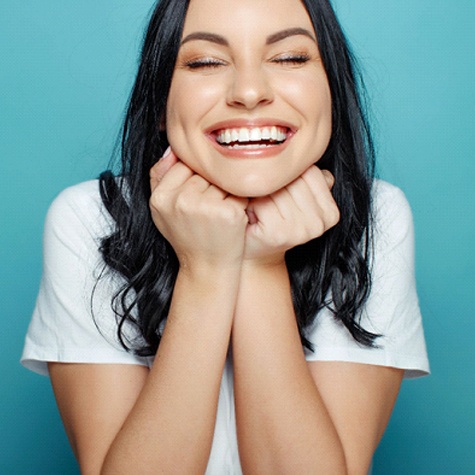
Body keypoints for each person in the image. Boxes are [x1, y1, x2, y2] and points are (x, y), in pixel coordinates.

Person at [21, 0, 430, 473]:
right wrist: (207, 270)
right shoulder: (92, 219)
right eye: (205, 62)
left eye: (290, 58)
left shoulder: (376, 217)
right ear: (159, 103)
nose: (250, 91)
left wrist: (261, 263)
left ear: (332, 89)